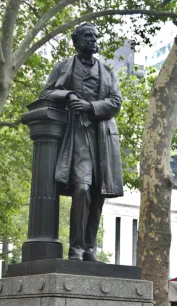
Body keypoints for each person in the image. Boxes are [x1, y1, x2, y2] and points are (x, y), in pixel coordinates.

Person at [40, 22, 123, 262]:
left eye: (95, 36)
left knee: (99, 192)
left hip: (103, 137)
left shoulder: (107, 71)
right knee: (82, 187)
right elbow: (47, 93)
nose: (93, 40)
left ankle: (90, 249)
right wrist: (67, 94)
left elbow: (116, 102)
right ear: (76, 42)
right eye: (88, 36)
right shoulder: (64, 67)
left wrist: (90, 106)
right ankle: (76, 248)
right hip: (76, 135)